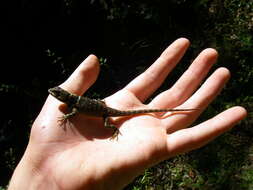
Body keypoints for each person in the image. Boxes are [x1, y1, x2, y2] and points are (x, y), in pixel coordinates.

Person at [8, 38, 247, 190]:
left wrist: (105, 125)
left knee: (147, 111)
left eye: (57, 93)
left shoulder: (74, 105)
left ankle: (118, 128)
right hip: (102, 110)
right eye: (57, 94)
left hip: (106, 113)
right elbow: (72, 113)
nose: (56, 95)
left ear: (62, 96)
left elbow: (73, 114)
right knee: (148, 110)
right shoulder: (72, 104)